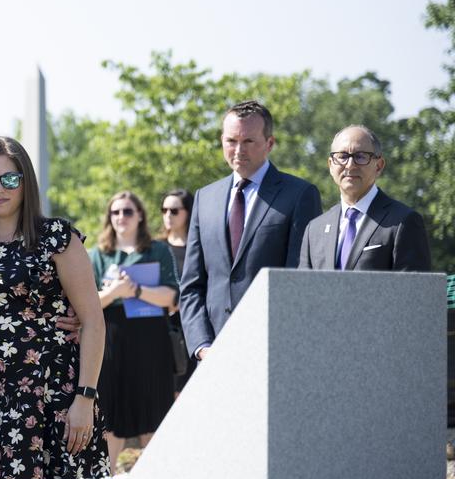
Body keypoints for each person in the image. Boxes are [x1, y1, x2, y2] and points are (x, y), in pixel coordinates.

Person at [0, 137, 107, 479]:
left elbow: (92, 321)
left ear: (26, 183)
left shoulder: (56, 237)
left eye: (10, 179)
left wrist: (85, 398)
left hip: (54, 386)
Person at [179, 101, 321, 361]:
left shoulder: (300, 195)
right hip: (213, 356)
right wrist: (202, 346)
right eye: (231, 141)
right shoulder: (204, 198)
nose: (238, 150)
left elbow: (300, 280)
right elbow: (191, 286)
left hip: (271, 351)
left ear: (269, 143)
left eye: (249, 141)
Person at [89, 191, 178, 465]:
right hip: (112, 344)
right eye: (115, 212)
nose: (121, 217)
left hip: (150, 343)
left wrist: (136, 290)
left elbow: (172, 298)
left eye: (127, 211)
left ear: (140, 215)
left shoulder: (158, 249)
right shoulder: (98, 254)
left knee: (153, 414)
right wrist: (115, 292)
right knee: (110, 417)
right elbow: (87, 306)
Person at [298, 125, 431, 272]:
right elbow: (303, 290)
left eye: (360, 157)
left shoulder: (403, 222)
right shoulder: (315, 229)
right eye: (342, 156)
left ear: (379, 166)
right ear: (331, 165)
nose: (350, 165)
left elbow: (413, 290)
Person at [159, 188, 196, 391]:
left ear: (188, 212)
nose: (168, 216)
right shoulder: (156, 248)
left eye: (174, 210)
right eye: (164, 210)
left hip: (193, 329)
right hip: (162, 328)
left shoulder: (199, 247)